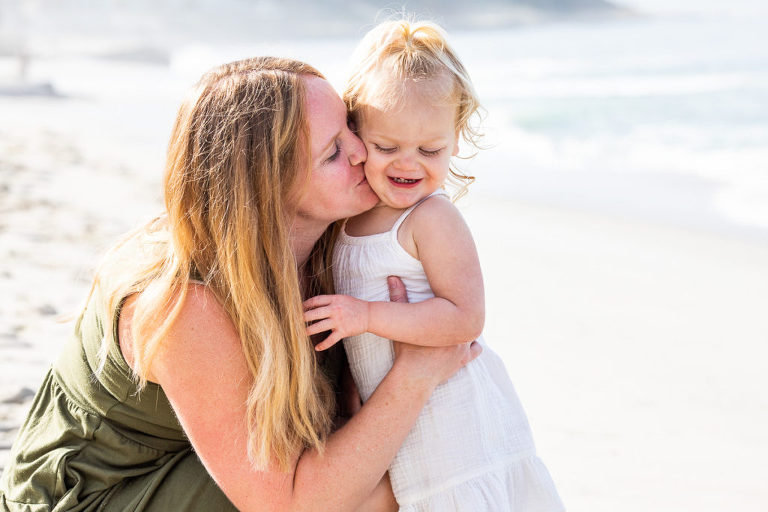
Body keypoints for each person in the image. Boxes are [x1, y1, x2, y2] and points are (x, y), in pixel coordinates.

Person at [0, 56, 482, 511]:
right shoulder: (184, 304)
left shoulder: (333, 242)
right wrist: (415, 374)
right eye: (334, 151)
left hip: (195, 465)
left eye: (352, 125)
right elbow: (289, 504)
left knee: (415, 472)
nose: (363, 152)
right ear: (266, 188)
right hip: (92, 497)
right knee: (388, 494)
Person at [302, 20, 565, 511]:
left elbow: (465, 317)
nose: (408, 164)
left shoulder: (431, 217)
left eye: (431, 150)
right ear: (356, 132)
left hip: (457, 428)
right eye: (387, 147)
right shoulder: (346, 221)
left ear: (456, 138)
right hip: (399, 423)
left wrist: (365, 316)